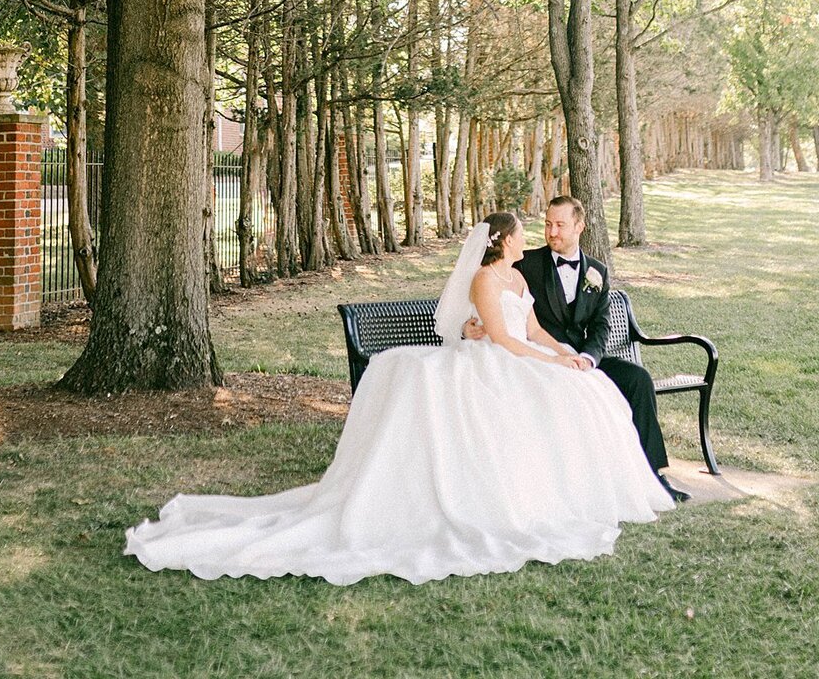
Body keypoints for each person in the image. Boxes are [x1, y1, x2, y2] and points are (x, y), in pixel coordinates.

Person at [124, 210, 674, 585]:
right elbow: (503, 339)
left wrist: (565, 355)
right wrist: (538, 357)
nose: (529, 237)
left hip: (520, 355)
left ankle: (583, 488)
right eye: (523, 232)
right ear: (502, 240)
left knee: (584, 386)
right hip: (491, 361)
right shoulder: (485, 278)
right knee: (536, 392)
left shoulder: (519, 280)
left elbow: (533, 331)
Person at [463, 195, 688, 503]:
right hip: (539, 357)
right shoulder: (523, 263)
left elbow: (600, 326)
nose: (552, 233)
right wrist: (468, 326)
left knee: (638, 379)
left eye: (560, 225)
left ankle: (654, 475)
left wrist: (587, 357)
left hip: (579, 355)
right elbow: (487, 297)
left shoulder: (597, 271)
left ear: (579, 226)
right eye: (547, 225)